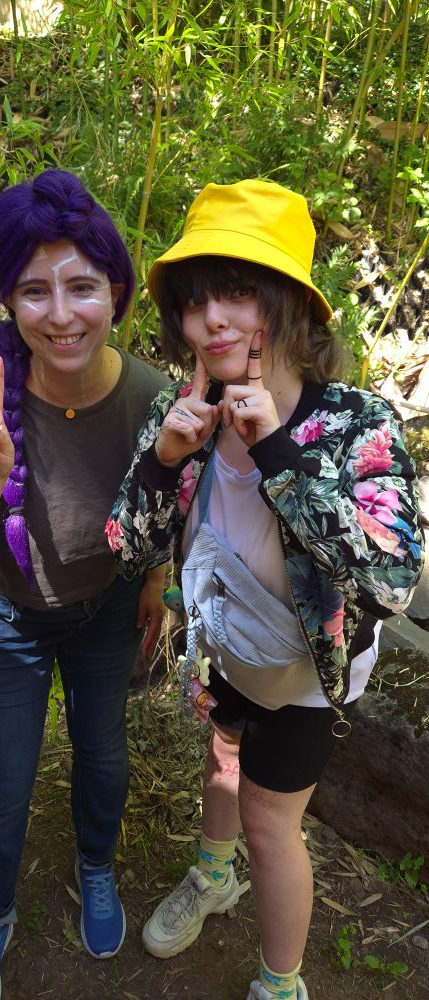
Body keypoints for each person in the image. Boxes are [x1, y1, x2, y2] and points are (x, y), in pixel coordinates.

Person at [105, 179, 424, 1000]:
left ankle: (279, 983)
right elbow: (124, 546)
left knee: (269, 821)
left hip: (305, 678)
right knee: (219, 758)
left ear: (287, 306)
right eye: (195, 298)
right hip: (222, 646)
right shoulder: (185, 412)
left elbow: (389, 579)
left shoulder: (355, 423)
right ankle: (213, 878)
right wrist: (162, 462)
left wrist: (280, 456)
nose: (210, 319)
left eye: (238, 292)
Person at [0, 169, 168, 1000]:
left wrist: (155, 583)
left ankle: (96, 864)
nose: (60, 315)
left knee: (102, 754)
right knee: (3, 785)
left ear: (117, 292)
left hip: (100, 611)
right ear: (8, 300)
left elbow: (166, 502)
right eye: (33, 291)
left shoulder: (148, 396)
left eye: (81, 286)